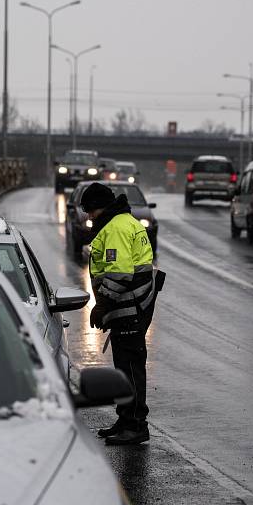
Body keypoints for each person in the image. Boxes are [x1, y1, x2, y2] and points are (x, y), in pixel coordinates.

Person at [80, 182, 164, 446]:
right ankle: (126, 419)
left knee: (130, 371)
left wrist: (102, 303)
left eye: (90, 211)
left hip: (129, 309)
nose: (89, 217)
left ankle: (136, 425)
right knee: (125, 369)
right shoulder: (125, 222)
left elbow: (119, 272)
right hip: (131, 308)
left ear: (99, 208)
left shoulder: (115, 228)